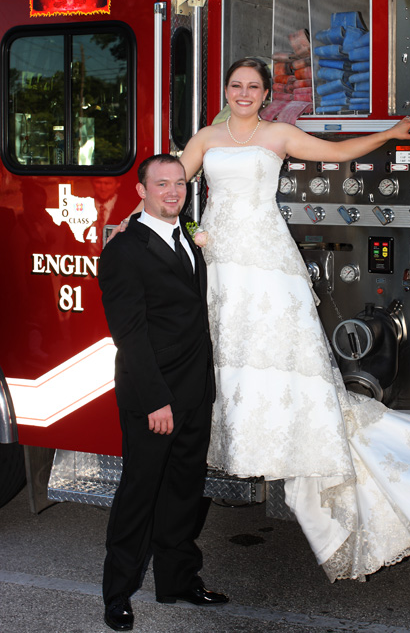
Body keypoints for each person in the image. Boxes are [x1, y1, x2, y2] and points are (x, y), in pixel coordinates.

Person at [117, 58, 410, 582]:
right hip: (219, 258)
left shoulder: (279, 134)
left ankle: (282, 439)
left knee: (276, 352)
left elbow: (341, 152)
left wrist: (390, 133)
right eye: (236, 85)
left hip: (268, 257)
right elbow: (167, 186)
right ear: (225, 90)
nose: (244, 93)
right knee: (226, 350)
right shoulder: (204, 138)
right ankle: (240, 439)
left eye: (254, 86)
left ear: (267, 93)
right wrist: (127, 222)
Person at [98, 154, 228, 632]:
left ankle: (177, 581)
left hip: (195, 390)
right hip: (154, 397)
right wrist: (157, 401)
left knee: (184, 492)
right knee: (140, 493)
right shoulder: (123, 250)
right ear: (142, 191)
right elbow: (129, 335)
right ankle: (117, 594)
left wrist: (203, 391)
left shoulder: (189, 237)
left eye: (179, 183)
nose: (173, 192)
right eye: (161, 184)